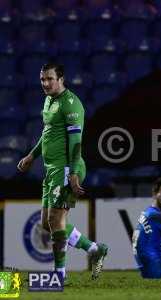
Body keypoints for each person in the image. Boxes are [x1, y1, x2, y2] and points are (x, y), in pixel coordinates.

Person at [17, 63, 108, 280]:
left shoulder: (71, 104)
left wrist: (73, 173)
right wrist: (31, 156)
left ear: (61, 79)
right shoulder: (49, 100)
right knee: (47, 224)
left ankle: (59, 275)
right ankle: (95, 249)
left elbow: (76, 142)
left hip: (67, 168)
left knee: (56, 221)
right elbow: (47, 133)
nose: (45, 83)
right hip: (51, 170)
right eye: (42, 80)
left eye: (49, 79)